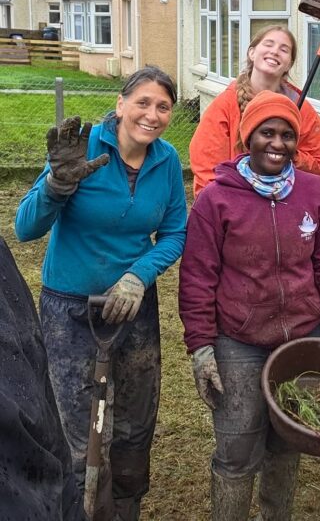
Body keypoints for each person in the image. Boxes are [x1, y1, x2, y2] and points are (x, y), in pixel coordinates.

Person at [179, 90, 320, 521]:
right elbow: (197, 279)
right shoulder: (216, 200)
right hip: (239, 341)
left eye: (286, 135)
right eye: (267, 133)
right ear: (248, 138)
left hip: (302, 338)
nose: (277, 143)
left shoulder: (315, 193)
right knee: (237, 450)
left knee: (287, 443)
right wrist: (202, 348)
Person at [15, 66, 187, 521]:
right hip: (70, 311)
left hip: (132, 310)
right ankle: (84, 510)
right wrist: (56, 185)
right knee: (80, 432)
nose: (152, 115)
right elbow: (25, 227)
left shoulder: (165, 160)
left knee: (133, 425)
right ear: (120, 104)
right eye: (143, 103)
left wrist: (138, 276)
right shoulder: (83, 149)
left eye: (163, 106)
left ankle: (126, 507)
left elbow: (173, 233)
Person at [0, 235, 85, 521]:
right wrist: (51, 193)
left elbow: (40, 400)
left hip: (46, 487)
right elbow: (27, 226)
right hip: (68, 305)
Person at [189, 24, 320, 196]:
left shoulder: (302, 110)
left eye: (284, 49)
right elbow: (207, 171)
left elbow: (318, 170)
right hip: (235, 206)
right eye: (269, 44)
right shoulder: (225, 106)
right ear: (252, 53)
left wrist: (288, 153)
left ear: (289, 64)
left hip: (285, 208)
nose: (275, 51)